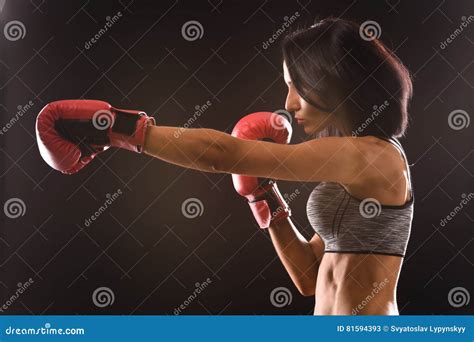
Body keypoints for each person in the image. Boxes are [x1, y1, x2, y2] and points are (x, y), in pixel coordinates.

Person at [36, 17, 414, 315]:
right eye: (288, 86)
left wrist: (121, 129)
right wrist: (263, 197)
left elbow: (221, 153)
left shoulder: (372, 156)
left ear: (335, 80)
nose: (290, 102)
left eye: (300, 86)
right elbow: (310, 278)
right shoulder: (349, 168)